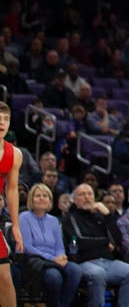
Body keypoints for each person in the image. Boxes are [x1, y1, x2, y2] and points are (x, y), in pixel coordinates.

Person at [62, 183, 129, 307]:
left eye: (89, 194)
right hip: (85, 262)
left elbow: (118, 239)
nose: (86, 197)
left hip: (108, 262)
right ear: (75, 200)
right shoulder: (70, 218)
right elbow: (79, 241)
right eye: (82, 194)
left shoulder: (100, 216)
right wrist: (105, 243)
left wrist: (108, 215)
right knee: (98, 274)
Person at [20, 182, 83, 307]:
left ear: (50, 201)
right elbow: (27, 246)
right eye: (38, 196)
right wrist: (52, 258)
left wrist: (62, 256)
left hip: (55, 260)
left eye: (45, 196)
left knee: (76, 270)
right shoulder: (24, 217)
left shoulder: (54, 220)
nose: (42, 198)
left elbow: (59, 246)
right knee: (55, 277)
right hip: (35, 261)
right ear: (31, 199)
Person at [0, 101, 23, 307]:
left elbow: (12, 189)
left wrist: (15, 225)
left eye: (6, 118)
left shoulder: (14, 154)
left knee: (5, 278)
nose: (2, 122)